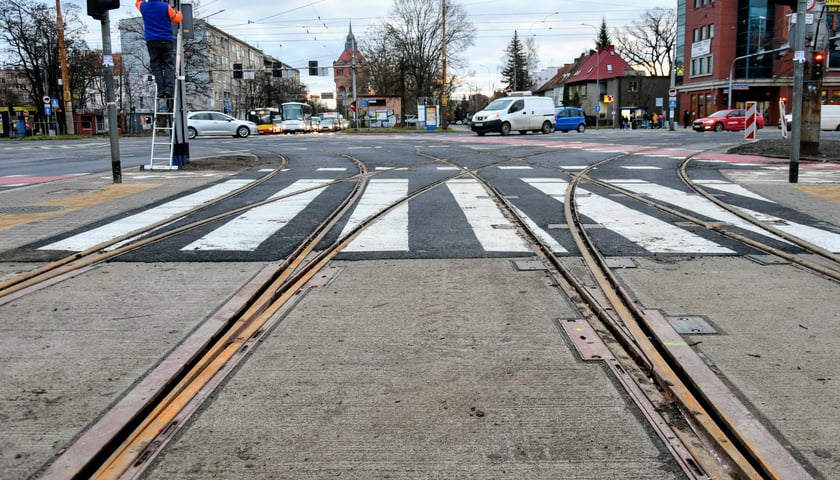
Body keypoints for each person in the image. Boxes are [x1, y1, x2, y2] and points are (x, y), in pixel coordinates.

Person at [136, 0, 183, 101]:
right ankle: (169, 90)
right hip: (165, 39)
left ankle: (161, 90)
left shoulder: (143, 6)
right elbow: (176, 19)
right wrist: (179, 13)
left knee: (156, 65)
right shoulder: (165, 7)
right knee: (168, 65)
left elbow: (138, 2)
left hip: (151, 40)